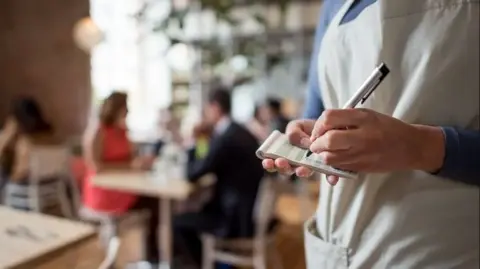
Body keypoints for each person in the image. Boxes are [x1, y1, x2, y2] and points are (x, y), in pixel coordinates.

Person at [263, 1, 479, 268]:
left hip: (441, 248)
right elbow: (317, 110)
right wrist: (307, 132)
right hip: (337, 244)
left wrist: (421, 147)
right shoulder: (333, 6)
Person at [174, 88, 264, 266]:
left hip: (234, 219)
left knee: (178, 223)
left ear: (215, 108)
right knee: (196, 209)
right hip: (249, 211)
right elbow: (206, 163)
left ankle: (206, 265)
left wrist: (194, 141)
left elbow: (192, 173)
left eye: (207, 109)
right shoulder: (239, 131)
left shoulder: (225, 137)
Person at [82, 91, 160, 264]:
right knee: (153, 204)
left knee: (156, 201)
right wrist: (129, 165)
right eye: (126, 108)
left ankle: (153, 254)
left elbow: (130, 158)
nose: (128, 112)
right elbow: (96, 166)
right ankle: (152, 255)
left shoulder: (122, 131)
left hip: (123, 189)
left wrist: (141, 162)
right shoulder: (98, 131)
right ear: (116, 108)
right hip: (103, 193)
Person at [0, 97, 58, 192]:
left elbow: (20, 174)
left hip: (28, 190)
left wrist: (7, 134)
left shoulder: (26, 143)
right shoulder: (51, 136)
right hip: (52, 185)